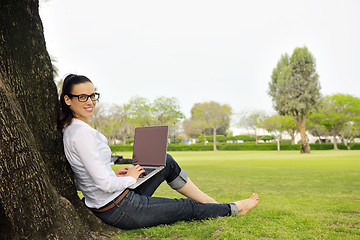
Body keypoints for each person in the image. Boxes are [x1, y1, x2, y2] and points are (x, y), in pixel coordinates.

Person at [58, 74, 259, 230]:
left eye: (93, 95)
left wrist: (114, 173)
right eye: (82, 97)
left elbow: (87, 174)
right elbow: (103, 184)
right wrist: (130, 178)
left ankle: (213, 205)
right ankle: (236, 208)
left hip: (115, 199)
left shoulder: (74, 129)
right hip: (118, 208)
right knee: (185, 208)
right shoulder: (81, 133)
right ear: (68, 100)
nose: (90, 101)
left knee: (165, 161)